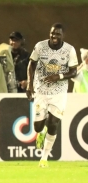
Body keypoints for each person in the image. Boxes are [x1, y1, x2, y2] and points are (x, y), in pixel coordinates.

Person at [26, 23, 78, 167]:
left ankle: (44, 158)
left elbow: (73, 72)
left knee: (53, 123)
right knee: (37, 127)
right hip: (41, 90)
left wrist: (58, 76)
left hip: (59, 92)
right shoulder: (40, 46)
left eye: (58, 34)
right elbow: (31, 64)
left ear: (63, 35)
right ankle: (40, 133)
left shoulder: (69, 50)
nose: (54, 37)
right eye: (52, 34)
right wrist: (30, 84)